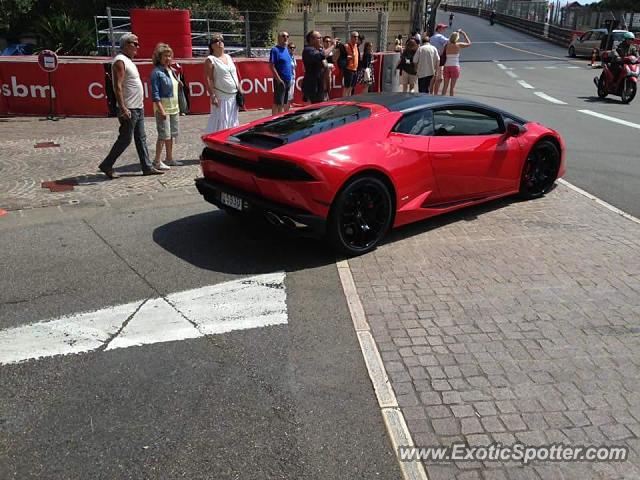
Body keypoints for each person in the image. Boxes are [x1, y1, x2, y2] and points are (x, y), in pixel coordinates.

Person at [98, 33, 163, 179]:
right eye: (135, 43)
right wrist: (122, 107)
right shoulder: (120, 61)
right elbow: (117, 86)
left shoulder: (128, 61)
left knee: (141, 138)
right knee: (126, 139)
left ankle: (147, 167)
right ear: (126, 44)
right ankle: (107, 164)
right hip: (129, 108)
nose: (137, 47)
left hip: (137, 107)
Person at [150, 43, 182, 170]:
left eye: (169, 56)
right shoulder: (156, 73)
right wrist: (161, 110)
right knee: (163, 135)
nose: (168, 58)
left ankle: (169, 158)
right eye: (165, 56)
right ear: (159, 57)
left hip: (174, 107)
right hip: (163, 109)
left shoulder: (172, 71)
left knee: (171, 135)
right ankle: (157, 161)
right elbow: (155, 94)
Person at [204, 34, 240, 134]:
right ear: (212, 46)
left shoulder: (228, 57)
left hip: (233, 97)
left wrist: (240, 90)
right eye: (216, 41)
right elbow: (208, 79)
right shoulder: (210, 59)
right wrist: (213, 95)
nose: (220, 42)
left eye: (221, 40)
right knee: (220, 124)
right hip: (221, 98)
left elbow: (235, 75)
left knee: (232, 124)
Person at [302, 31, 333, 103]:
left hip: (320, 85)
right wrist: (333, 45)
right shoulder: (308, 50)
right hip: (312, 86)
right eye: (319, 38)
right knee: (314, 110)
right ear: (311, 39)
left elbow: (326, 64)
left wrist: (338, 50)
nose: (321, 40)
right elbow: (321, 56)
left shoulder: (318, 50)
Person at [269, 31, 293, 115]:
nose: (286, 38)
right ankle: (275, 120)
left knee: (283, 103)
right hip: (280, 81)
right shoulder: (275, 50)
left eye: (287, 36)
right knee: (278, 102)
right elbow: (271, 66)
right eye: (283, 36)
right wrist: (278, 79)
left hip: (288, 80)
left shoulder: (286, 50)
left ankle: (280, 118)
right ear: (279, 38)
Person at [441, 30, 471, 96]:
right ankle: (451, 102)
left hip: (446, 66)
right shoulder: (458, 45)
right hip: (455, 66)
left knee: (445, 86)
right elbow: (469, 43)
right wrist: (464, 34)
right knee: (452, 88)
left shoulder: (446, 45)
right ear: (457, 38)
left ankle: (442, 100)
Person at [430, 23, 448, 94]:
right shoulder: (440, 37)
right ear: (439, 29)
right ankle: (435, 94)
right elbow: (450, 41)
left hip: (432, 58)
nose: (444, 29)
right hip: (439, 59)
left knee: (433, 77)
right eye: (443, 28)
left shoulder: (432, 37)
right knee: (439, 79)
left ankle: (430, 92)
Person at [342, 31, 360, 96]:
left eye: (357, 37)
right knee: (347, 86)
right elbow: (342, 56)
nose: (356, 38)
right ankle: (343, 101)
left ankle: (348, 100)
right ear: (351, 37)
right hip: (348, 69)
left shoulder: (356, 46)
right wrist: (347, 57)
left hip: (355, 69)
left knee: (352, 87)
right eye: (355, 37)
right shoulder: (347, 46)